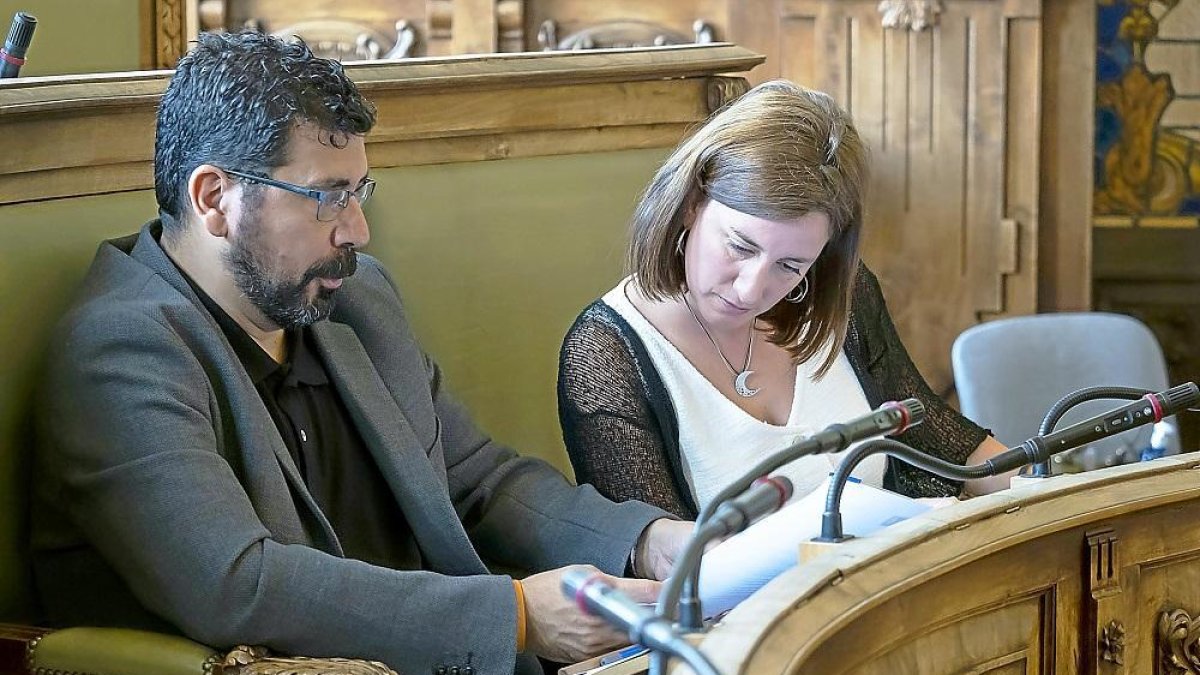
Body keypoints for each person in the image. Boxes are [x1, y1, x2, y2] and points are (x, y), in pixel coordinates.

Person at [31, 31, 690, 675]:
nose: (358, 230)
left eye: (359, 191)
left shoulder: (355, 299)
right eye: (329, 198)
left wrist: (646, 542)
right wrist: (516, 615)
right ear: (214, 199)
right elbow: (236, 583)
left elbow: (479, 481)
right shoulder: (120, 350)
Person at [557, 80, 1013, 519]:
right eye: (739, 246)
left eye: (791, 266)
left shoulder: (842, 294)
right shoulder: (607, 353)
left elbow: (934, 434)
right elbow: (662, 565)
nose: (751, 290)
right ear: (692, 203)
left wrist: (1052, 487)